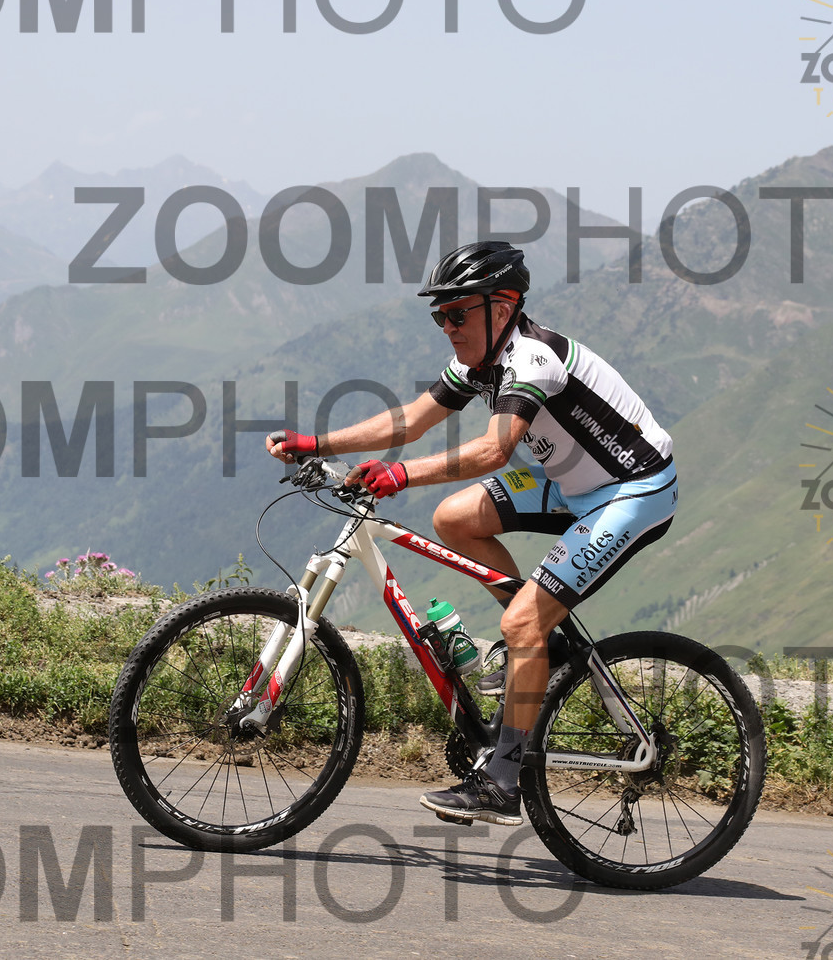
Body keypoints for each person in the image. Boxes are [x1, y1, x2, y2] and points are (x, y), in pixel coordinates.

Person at [266, 240, 676, 825]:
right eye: (440, 316)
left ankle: (504, 782)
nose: (448, 327)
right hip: (573, 483)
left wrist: (402, 474)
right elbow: (411, 419)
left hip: (634, 490)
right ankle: (546, 649)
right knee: (454, 519)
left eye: (458, 313)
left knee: (521, 622)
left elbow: (493, 450)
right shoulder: (479, 362)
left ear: (502, 307)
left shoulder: (533, 360)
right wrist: (318, 443)